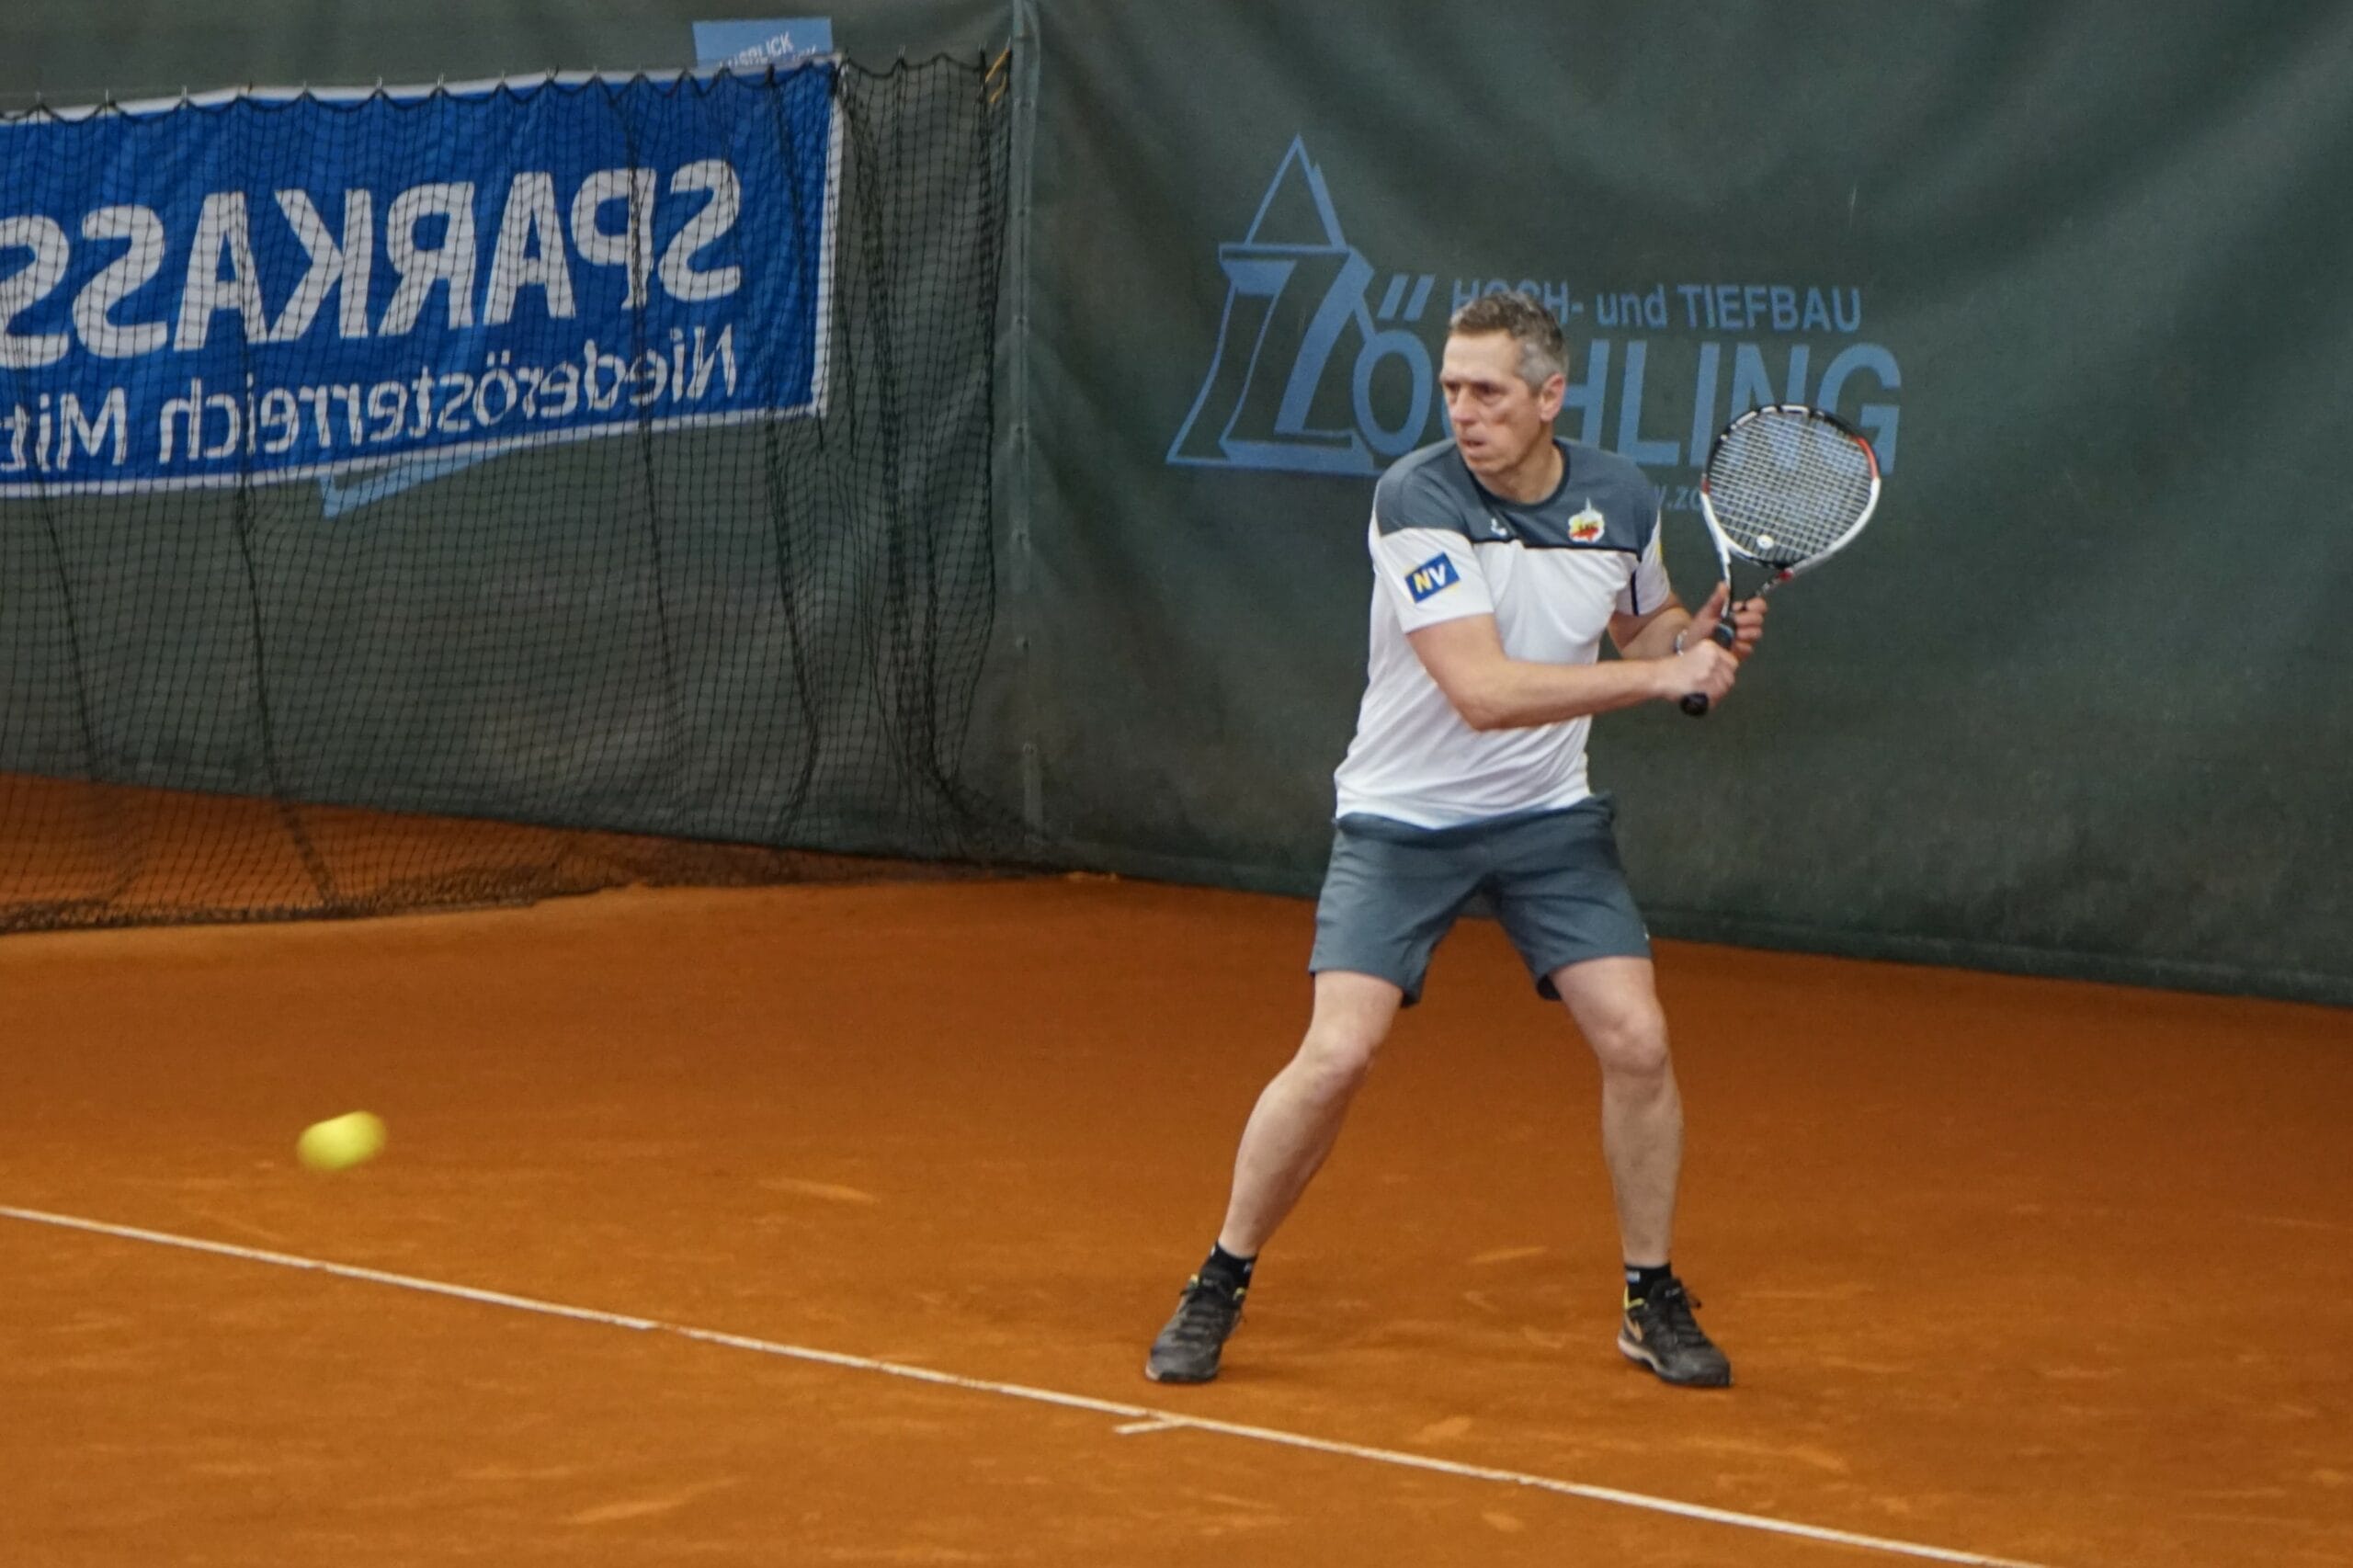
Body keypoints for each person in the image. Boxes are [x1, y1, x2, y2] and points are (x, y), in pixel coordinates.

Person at [1146, 289, 1764, 1390]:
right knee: (1338, 1053)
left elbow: (1642, 624)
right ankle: (1219, 1275)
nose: (1462, 412)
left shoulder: (1620, 495)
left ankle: (1649, 1294)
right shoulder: (1416, 496)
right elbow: (1481, 691)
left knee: (1637, 1039)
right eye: (1450, 389)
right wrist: (1658, 677)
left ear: (1549, 396)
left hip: (1547, 818)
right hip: (1403, 820)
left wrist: (1693, 642)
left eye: (1486, 391)